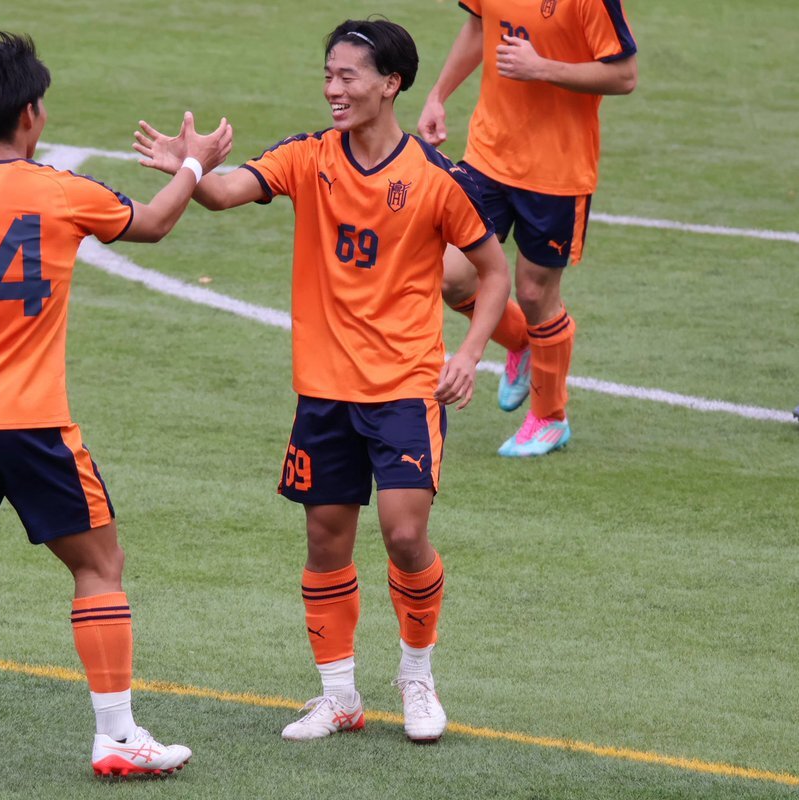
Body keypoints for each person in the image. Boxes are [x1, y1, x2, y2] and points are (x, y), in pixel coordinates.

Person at [135, 18, 510, 743]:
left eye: (347, 76)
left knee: (405, 534)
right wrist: (190, 168)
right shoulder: (307, 156)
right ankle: (339, 696)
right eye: (328, 75)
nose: (333, 88)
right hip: (324, 390)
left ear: (390, 84)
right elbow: (224, 193)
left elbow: (493, 273)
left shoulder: (436, 179)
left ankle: (417, 676)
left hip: (405, 387)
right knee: (325, 541)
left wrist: (468, 354)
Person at [0, 31, 231, 780]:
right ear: (30, 115)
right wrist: (195, 162)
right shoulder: (62, 193)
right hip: (32, 424)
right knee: (100, 565)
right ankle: (117, 736)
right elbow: (154, 222)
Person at [418, 0, 638, 457]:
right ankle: (522, 342)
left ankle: (550, 418)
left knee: (536, 294)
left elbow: (623, 75)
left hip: (558, 170)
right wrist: (438, 94)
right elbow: (479, 27)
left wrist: (541, 68)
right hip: (488, 154)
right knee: (450, 275)